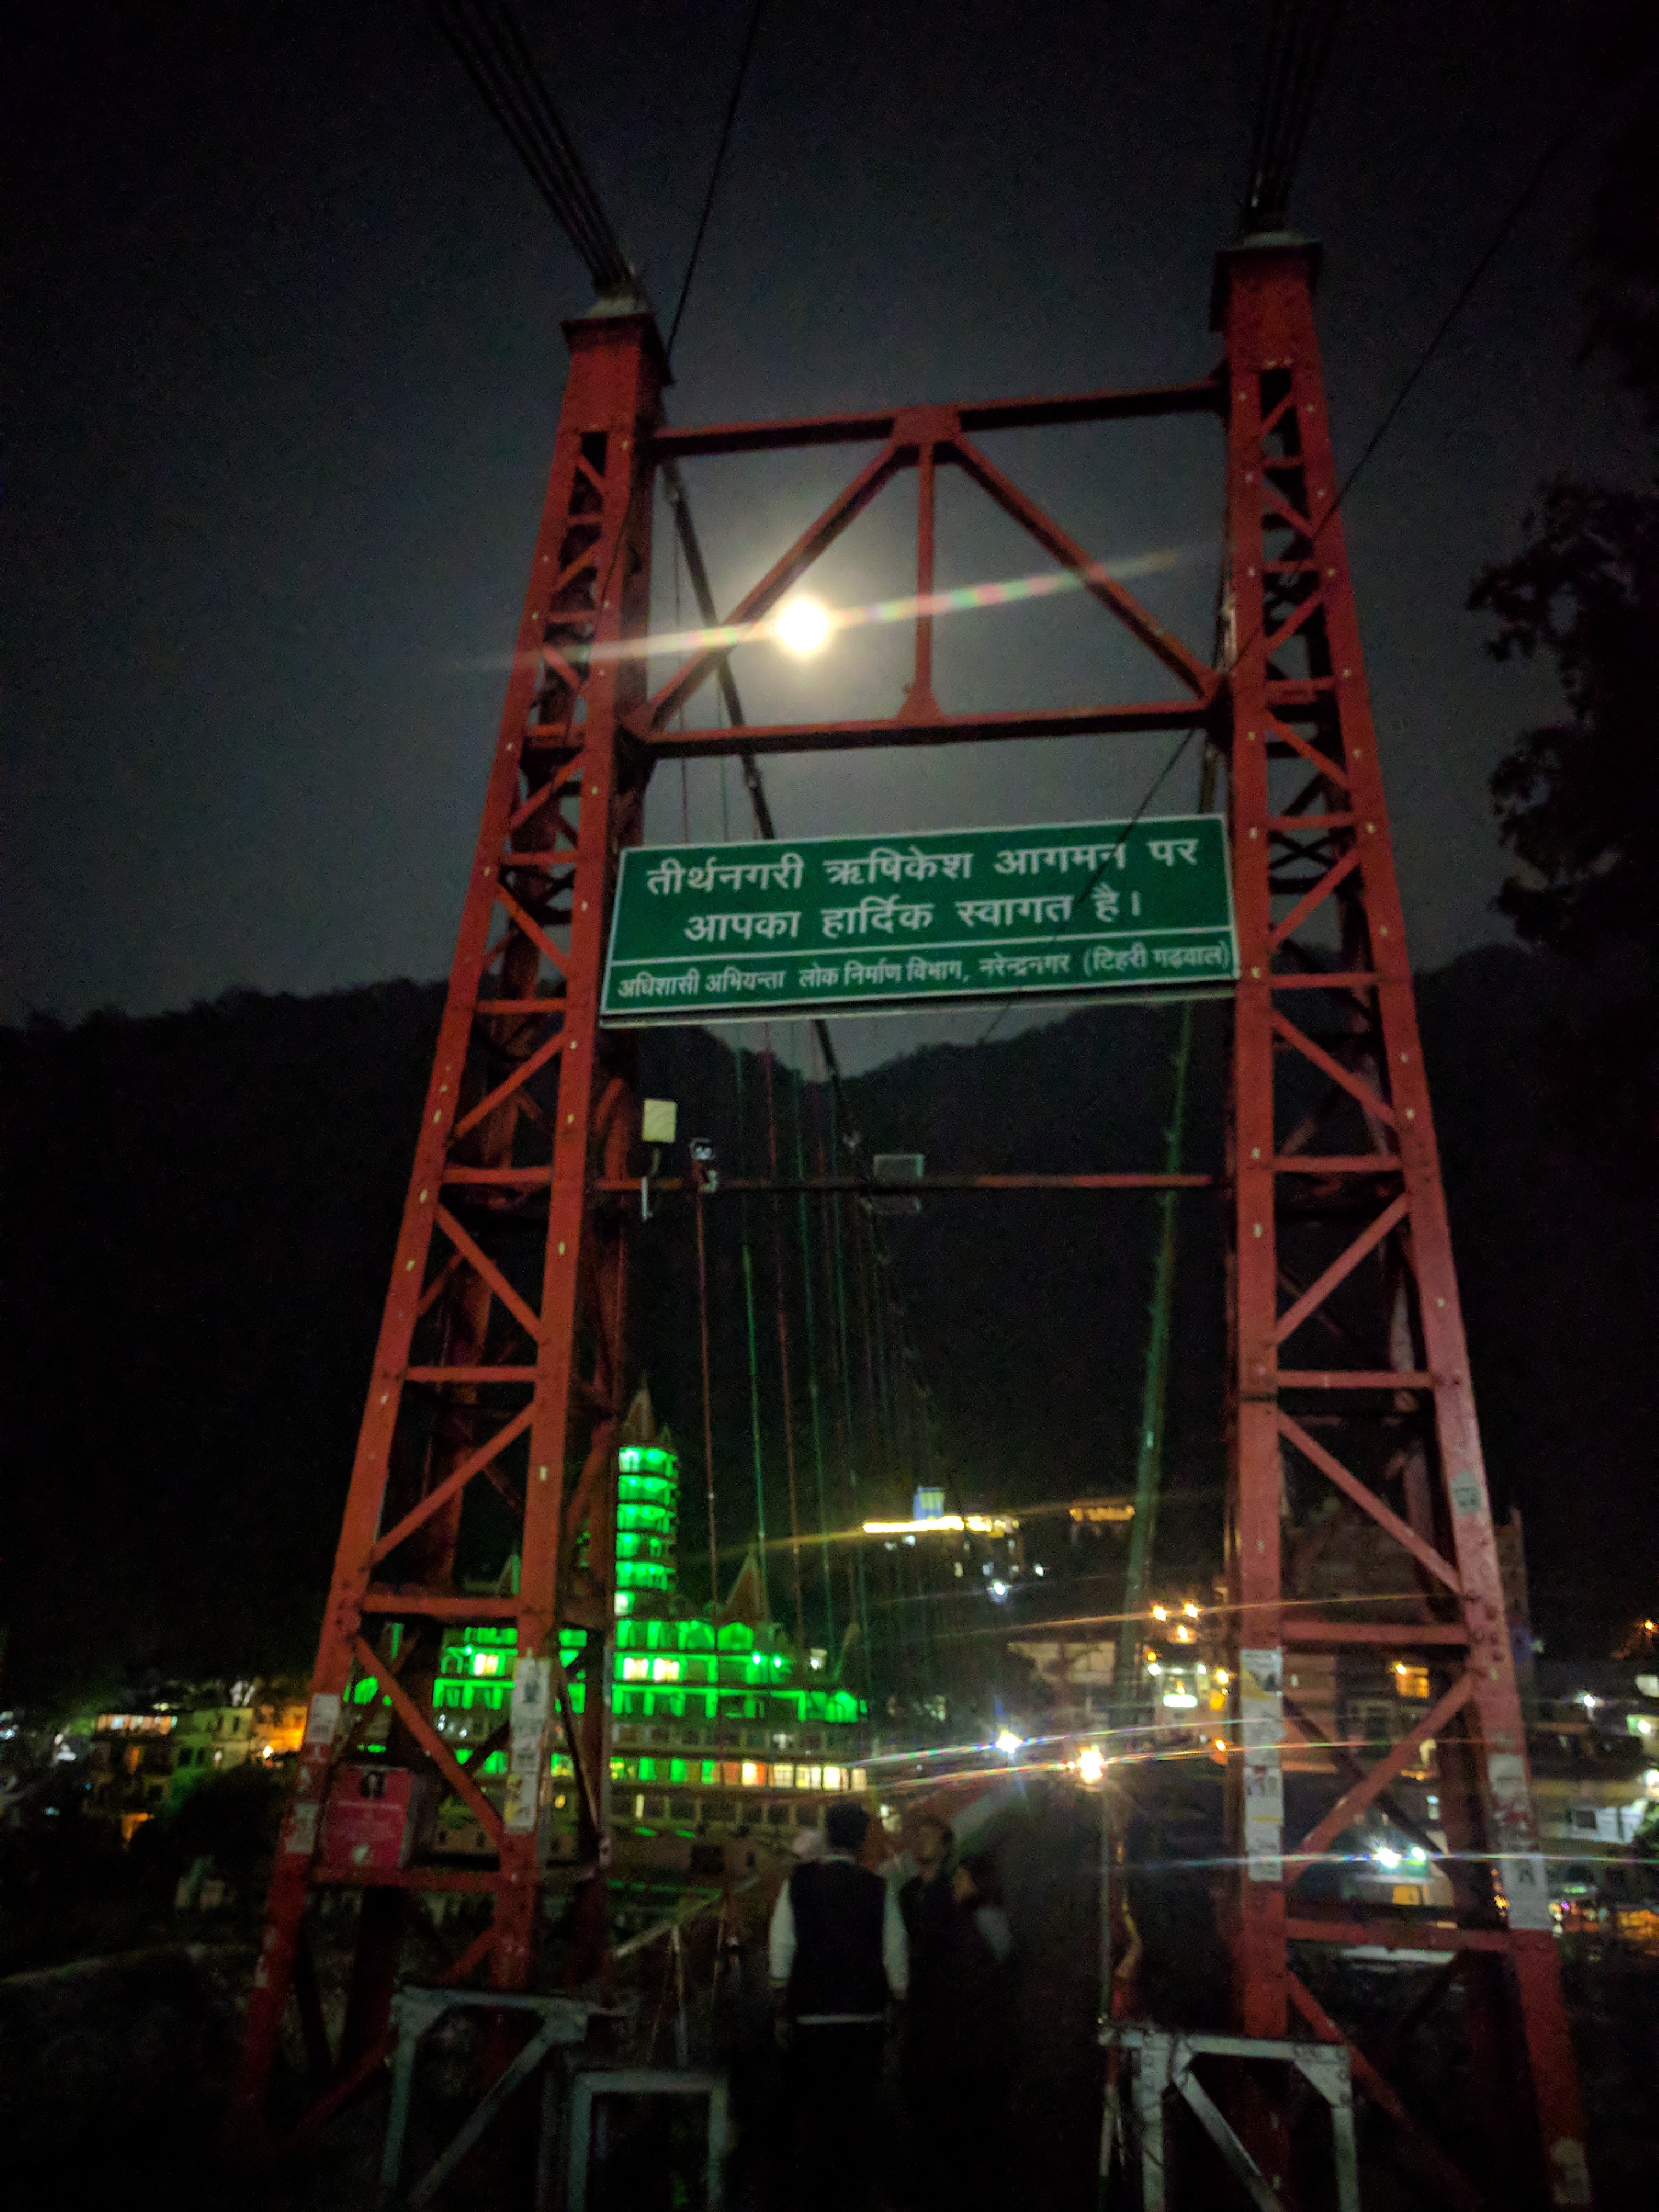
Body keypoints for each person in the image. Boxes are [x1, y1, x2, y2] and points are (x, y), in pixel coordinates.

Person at [769, 1798, 909, 2211]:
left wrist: (781, 2001)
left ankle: (812, 2195)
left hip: (811, 2018)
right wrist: (898, 2000)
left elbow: (781, 1947)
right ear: (862, 1840)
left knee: (813, 2116)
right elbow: (895, 1954)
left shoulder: (799, 1884)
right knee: (854, 2117)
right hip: (864, 2019)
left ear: (829, 1836)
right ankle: (850, 2194)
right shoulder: (878, 1889)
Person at [904, 1852, 1013, 2212]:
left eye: (963, 1878)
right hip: (979, 2044)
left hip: (965, 2042)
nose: (956, 1884)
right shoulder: (990, 1922)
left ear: (979, 1884)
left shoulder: (975, 1923)